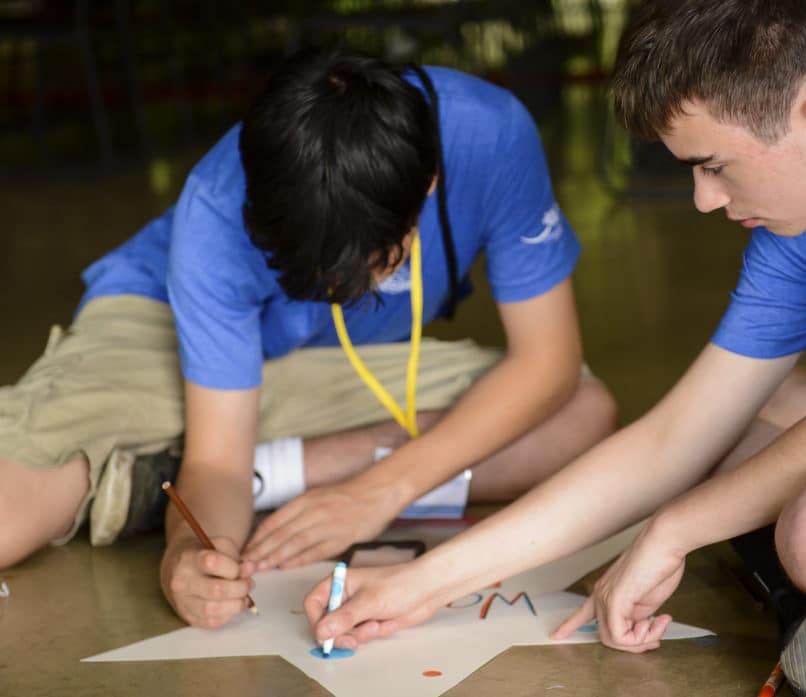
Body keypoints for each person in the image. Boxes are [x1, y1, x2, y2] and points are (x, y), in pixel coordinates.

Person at [301, 3, 806, 696]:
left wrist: (675, 528)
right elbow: (674, 437)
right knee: (752, 428)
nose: (703, 199)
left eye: (713, 165)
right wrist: (424, 583)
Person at [0, 46, 619, 630]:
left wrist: (379, 490)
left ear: (427, 183)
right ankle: (240, 467)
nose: (335, 289)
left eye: (368, 268)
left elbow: (548, 362)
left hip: (331, 369)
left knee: (579, 420)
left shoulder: (491, 134)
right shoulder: (215, 210)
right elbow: (216, 463)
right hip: (161, 333)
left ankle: (251, 470)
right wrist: (190, 554)